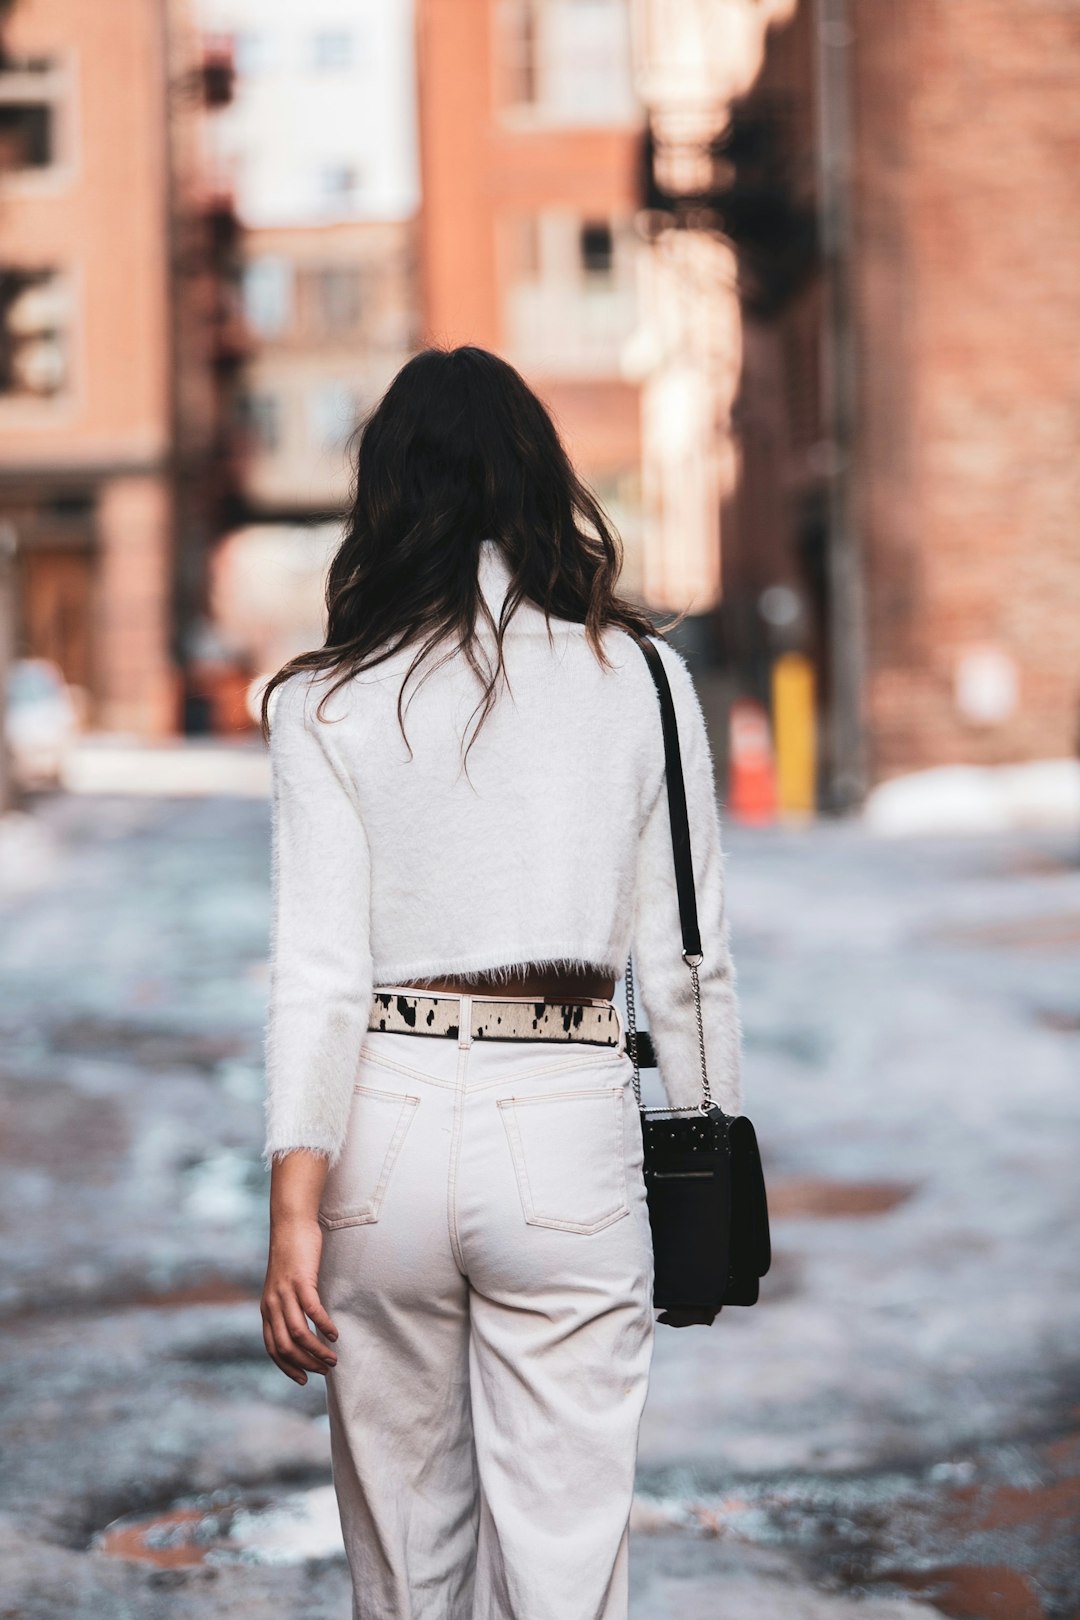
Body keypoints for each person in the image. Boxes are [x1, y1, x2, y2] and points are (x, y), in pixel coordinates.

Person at [258, 345, 743, 1620]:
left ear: (388, 496)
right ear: (542, 479)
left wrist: (292, 1207)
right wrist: (702, 1148)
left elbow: (316, 971)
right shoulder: (639, 677)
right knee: (565, 1546)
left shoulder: (325, 701)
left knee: (406, 1560)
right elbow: (686, 961)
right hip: (567, 1121)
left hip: (384, 1122)